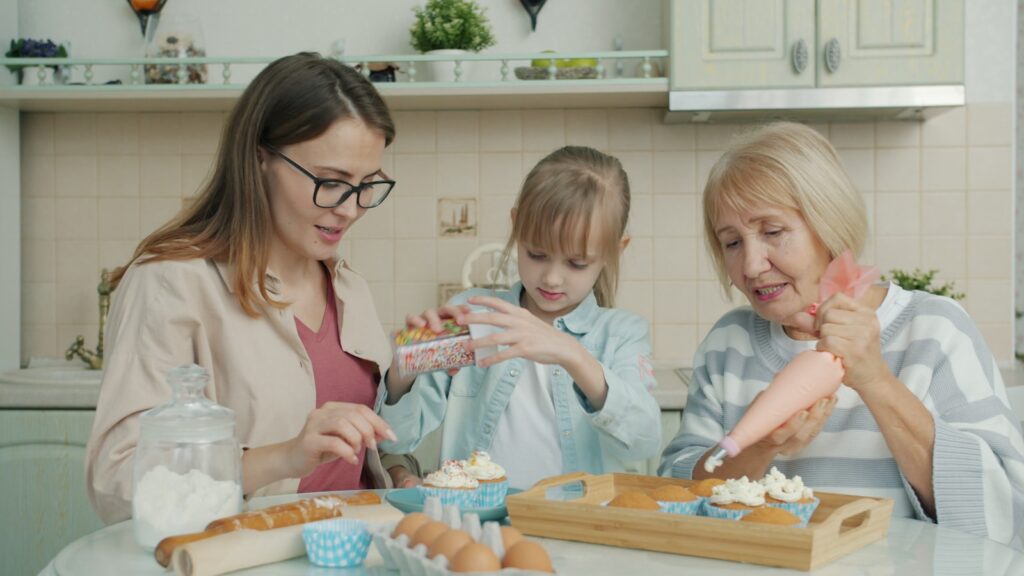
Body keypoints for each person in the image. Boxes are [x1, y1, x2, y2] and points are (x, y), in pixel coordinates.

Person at [85, 53, 420, 524]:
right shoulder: (172, 281)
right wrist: (282, 457)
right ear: (260, 156)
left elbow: (358, 454)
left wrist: (403, 449)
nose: (349, 209)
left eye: (368, 185)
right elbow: (117, 482)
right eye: (331, 182)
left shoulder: (349, 286)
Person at [659, 122, 1024, 546]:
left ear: (828, 222)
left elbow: (1007, 511)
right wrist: (759, 448)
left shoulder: (934, 330)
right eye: (731, 242)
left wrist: (875, 380)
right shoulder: (728, 344)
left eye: (772, 232)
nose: (751, 265)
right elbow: (674, 494)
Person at [379, 146, 662, 490]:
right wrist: (404, 370)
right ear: (517, 226)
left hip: (576, 527)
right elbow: (395, 442)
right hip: (477, 525)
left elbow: (645, 440)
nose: (552, 279)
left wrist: (572, 354)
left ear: (615, 251)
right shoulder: (474, 317)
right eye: (537, 254)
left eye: (577, 263)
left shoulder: (621, 333)